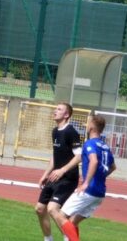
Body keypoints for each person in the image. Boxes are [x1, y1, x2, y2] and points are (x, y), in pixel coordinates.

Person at [52, 114, 116, 241]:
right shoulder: (105, 147)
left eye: (88, 123)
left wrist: (86, 182)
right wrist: (99, 176)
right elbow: (113, 167)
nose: (86, 125)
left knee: (60, 215)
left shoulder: (89, 143)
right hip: (100, 193)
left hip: (89, 190)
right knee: (72, 222)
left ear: (92, 127)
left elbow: (94, 161)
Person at [36, 102, 82, 241]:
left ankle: (69, 238)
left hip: (68, 179)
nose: (55, 111)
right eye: (55, 108)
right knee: (39, 209)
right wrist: (45, 174)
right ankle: (48, 239)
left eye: (59, 109)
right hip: (55, 177)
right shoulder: (55, 131)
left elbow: (79, 156)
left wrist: (62, 170)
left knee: (52, 209)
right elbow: (55, 155)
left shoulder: (71, 132)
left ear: (66, 115)